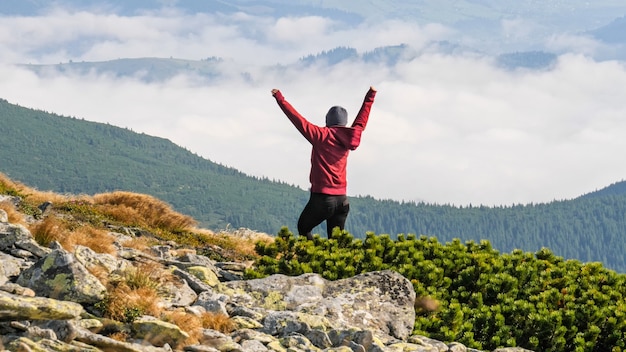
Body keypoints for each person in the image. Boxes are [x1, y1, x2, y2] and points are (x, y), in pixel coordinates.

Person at [271, 86, 377, 239]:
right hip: (342, 200)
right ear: (345, 123)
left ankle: (312, 258)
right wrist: (370, 96)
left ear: (328, 121)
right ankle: (333, 261)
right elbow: (361, 121)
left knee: (303, 227)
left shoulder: (320, 135)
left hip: (322, 198)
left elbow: (298, 120)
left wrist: (280, 99)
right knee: (335, 244)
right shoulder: (351, 136)